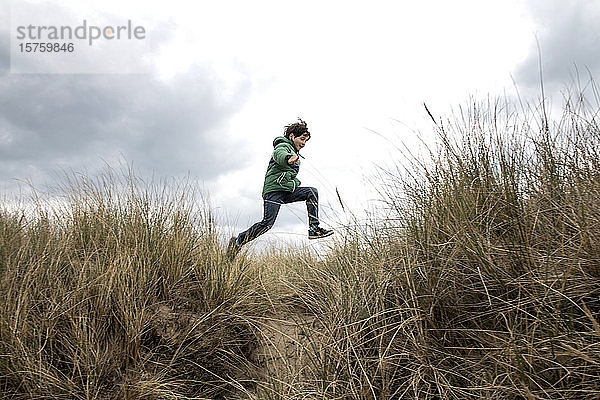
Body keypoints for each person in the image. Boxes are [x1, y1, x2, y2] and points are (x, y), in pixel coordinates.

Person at [227, 118, 333, 258]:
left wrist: (295, 182)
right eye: (302, 139)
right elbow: (279, 155)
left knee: (311, 192)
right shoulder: (282, 146)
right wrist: (288, 158)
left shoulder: (295, 153)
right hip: (274, 191)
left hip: (285, 191)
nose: (304, 143)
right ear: (291, 137)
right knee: (267, 224)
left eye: (306, 141)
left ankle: (314, 229)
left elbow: (288, 175)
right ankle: (237, 241)